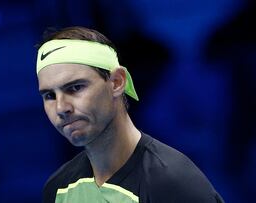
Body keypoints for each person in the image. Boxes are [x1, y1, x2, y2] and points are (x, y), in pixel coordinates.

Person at [36, 26, 224, 203]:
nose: (61, 108)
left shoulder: (174, 182)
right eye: (49, 95)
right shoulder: (58, 188)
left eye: (76, 87)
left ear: (117, 82)